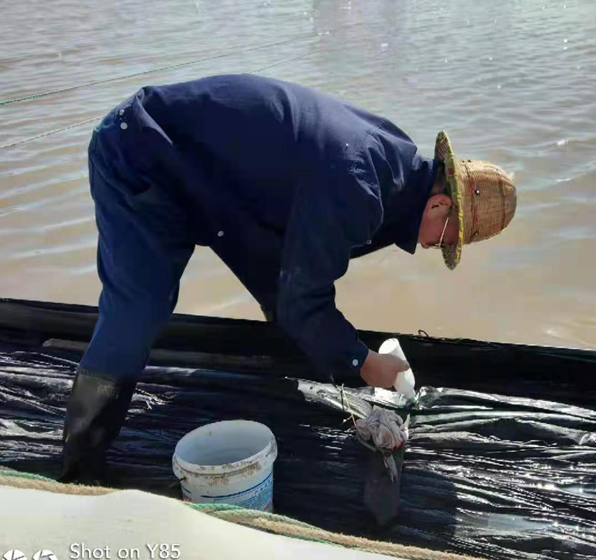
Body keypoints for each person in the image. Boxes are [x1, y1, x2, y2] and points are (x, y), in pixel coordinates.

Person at [60, 74, 517, 484]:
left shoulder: (395, 167)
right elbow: (306, 296)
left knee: (281, 293)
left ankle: (296, 366)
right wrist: (363, 362)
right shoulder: (358, 183)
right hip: (143, 150)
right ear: (439, 206)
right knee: (140, 307)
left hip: (212, 181)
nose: (433, 246)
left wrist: (331, 344)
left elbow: (296, 266)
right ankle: (79, 464)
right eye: (445, 239)